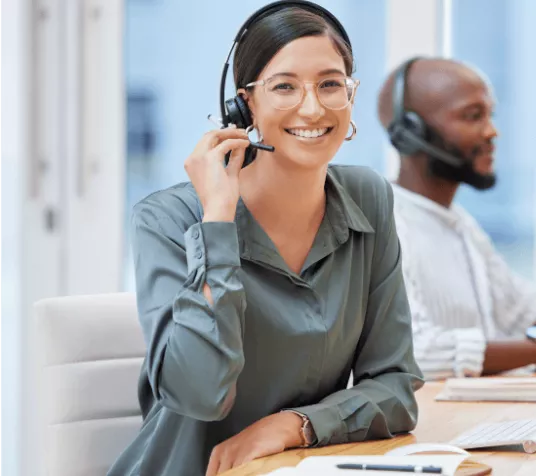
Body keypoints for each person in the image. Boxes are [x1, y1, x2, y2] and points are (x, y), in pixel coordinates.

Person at [108, 3, 424, 475]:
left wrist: (293, 426)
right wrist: (216, 220)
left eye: (330, 84)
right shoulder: (168, 219)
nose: (313, 107)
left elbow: (396, 386)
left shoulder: (368, 197)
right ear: (244, 105)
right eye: (285, 87)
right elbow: (200, 393)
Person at [376, 57, 536, 381]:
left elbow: (523, 305)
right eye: (472, 116)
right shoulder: (386, 225)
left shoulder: (458, 223)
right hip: (432, 427)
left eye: (490, 115)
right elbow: (413, 352)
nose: (491, 131)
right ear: (410, 133)